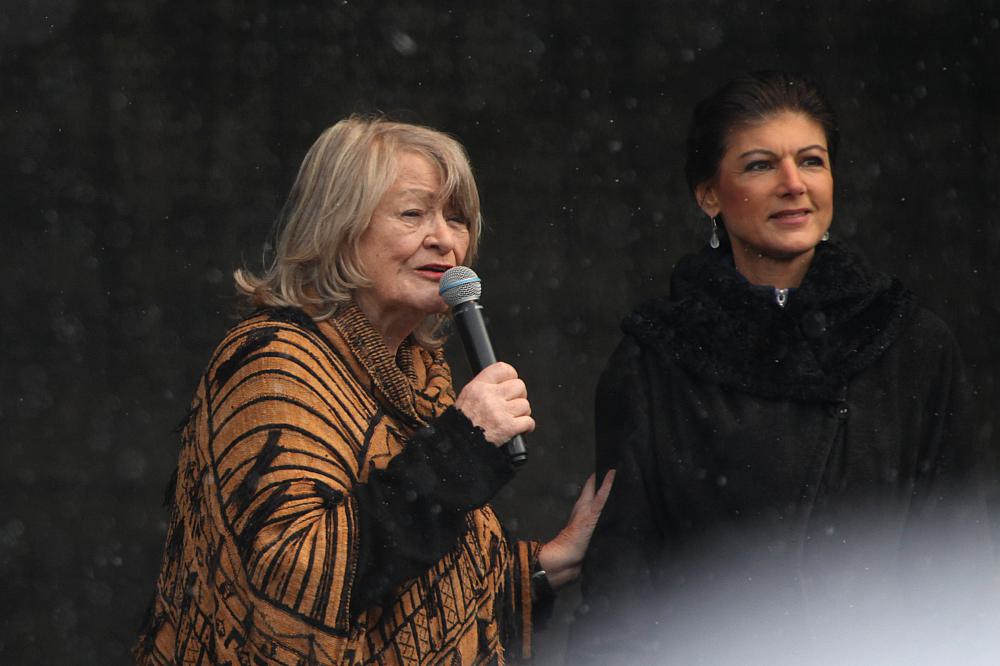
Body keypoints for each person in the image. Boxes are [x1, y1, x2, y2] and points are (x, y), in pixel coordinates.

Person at [134, 116, 613, 665]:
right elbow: (298, 578)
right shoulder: (274, 362)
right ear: (337, 227)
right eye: (413, 214)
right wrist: (460, 451)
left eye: (457, 219)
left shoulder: (419, 378)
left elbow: (417, 595)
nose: (444, 238)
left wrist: (553, 562)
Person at [570, 71, 985, 664]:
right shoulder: (657, 357)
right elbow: (622, 589)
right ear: (709, 194)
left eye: (811, 161)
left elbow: (954, 566)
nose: (794, 185)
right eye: (761, 165)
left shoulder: (909, 342)